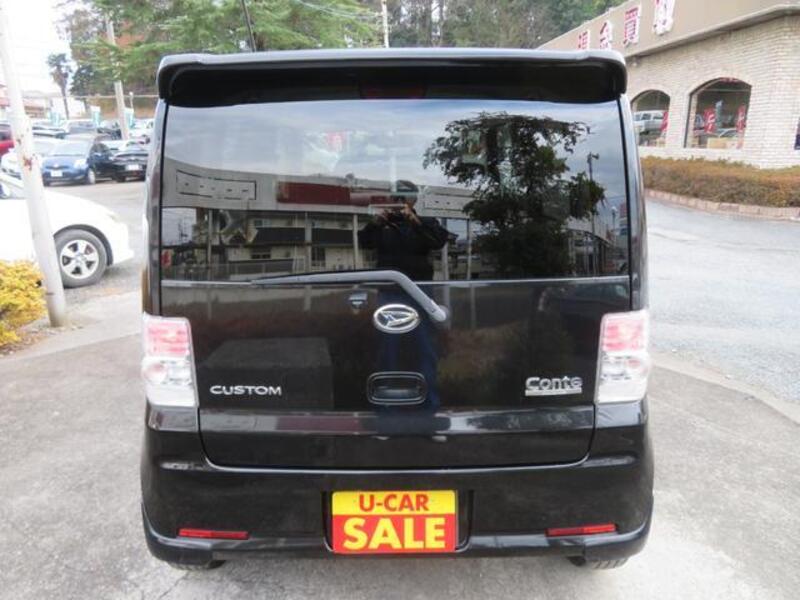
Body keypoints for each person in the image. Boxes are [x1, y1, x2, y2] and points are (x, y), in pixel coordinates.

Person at [358, 181, 449, 421]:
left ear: (413, 200)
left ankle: (429, 413)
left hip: (420, 294)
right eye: (395, 197)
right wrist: (376, 223)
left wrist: (414, 221)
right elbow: (364, 242)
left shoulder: (425, 222)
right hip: (389, 294)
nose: (399, 203)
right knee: (386, 351)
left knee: (426, 350)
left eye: (404, 198)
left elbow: (438, 241)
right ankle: (385, 414)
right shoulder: (383, 225)